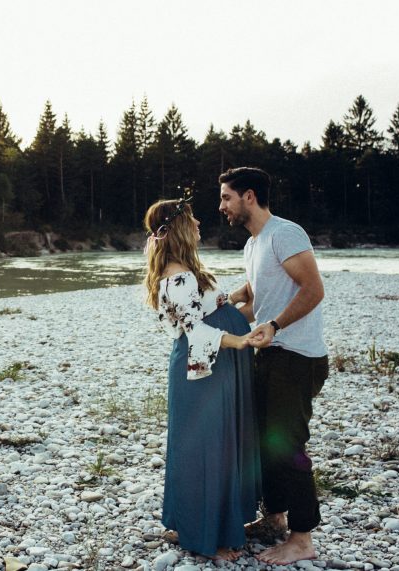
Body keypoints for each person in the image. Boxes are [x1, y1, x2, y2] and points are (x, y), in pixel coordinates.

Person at [218, 167, 329, 565]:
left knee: (287, 447)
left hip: (298, 356)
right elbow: (255, 295)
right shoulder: (252, 246)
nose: (221, 206)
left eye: (226, 197)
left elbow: (313, 289)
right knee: (264, 442)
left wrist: (275, 324)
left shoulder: (285, 233)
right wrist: (220, 309)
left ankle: (302, 538)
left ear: (249, 196)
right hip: (270, 353)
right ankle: (276, 518)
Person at [144, 197, 261, 561]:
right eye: (192, 221)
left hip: (216, 369)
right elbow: (195, 331)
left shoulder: (186, 271)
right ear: (179, 228)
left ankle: (207, 522)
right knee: (207, 450)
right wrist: (240, 340)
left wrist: (236, 295)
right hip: (204, 371)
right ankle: (206, 536)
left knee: (218, 445)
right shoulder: (176, 276)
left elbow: (202, 306)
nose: (198, 226)